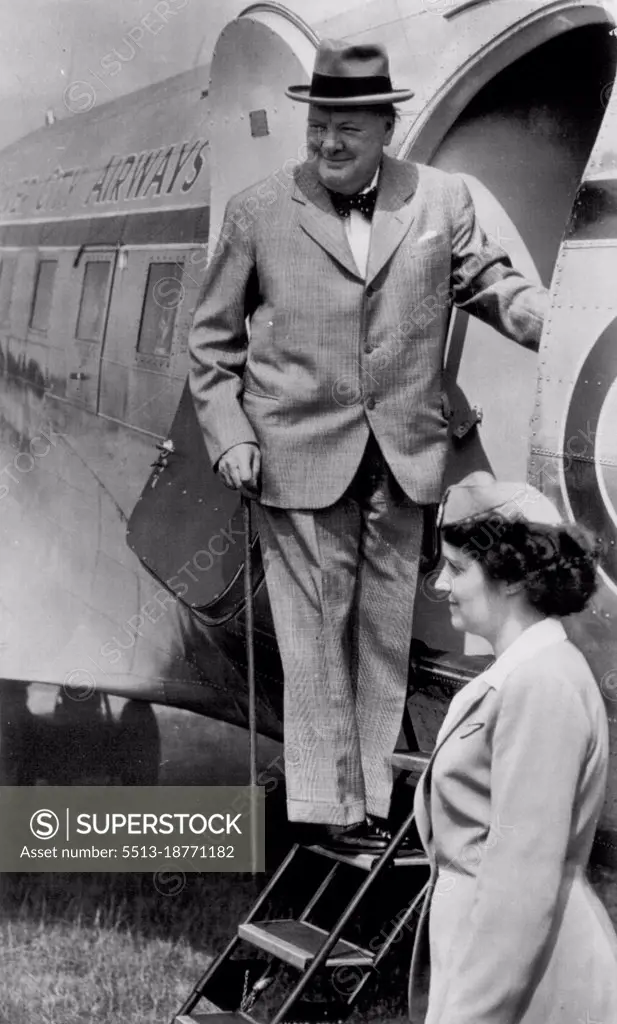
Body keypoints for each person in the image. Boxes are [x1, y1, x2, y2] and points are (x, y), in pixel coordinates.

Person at [189, 38, 548, 851]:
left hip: (405, 458)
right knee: (315, 639)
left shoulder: (441, 201)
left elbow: (494, 286)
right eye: (317, 126)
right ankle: (324, 815)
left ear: (385, 126)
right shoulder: (257, 212)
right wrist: (230, 437)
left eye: (346, 128)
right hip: (295, 458)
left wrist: (560, 330)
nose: (326, 144)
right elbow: (210, 350)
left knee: (382, 636)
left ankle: (375, 806)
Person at [409, 470, 617, 1023]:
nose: (440, 585)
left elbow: (521, 884)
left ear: (509, 579)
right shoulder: (524, 671)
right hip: (496, 955)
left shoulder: (540, 685)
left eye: (457, 568)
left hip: (528, 975)